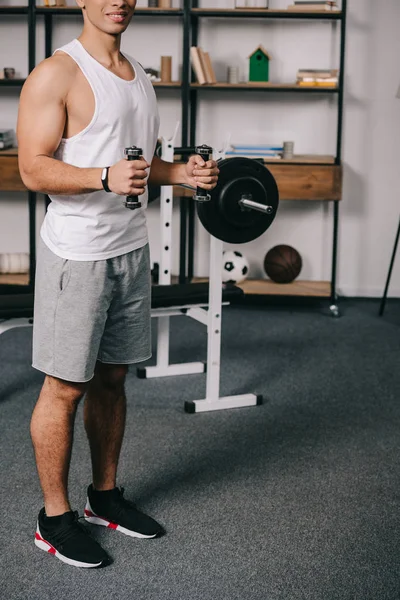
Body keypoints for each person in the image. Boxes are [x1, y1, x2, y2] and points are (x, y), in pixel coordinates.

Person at [16, 0, 219, 569]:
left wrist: (178, 172)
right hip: (76, 255)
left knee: (112, 379)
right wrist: (101, 177)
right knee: (65, 388)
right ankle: (53, 520)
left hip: (131, 249)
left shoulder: (140, 78)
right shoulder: (57, 72)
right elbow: (31, 167)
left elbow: (138, 162)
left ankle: (103, 497)